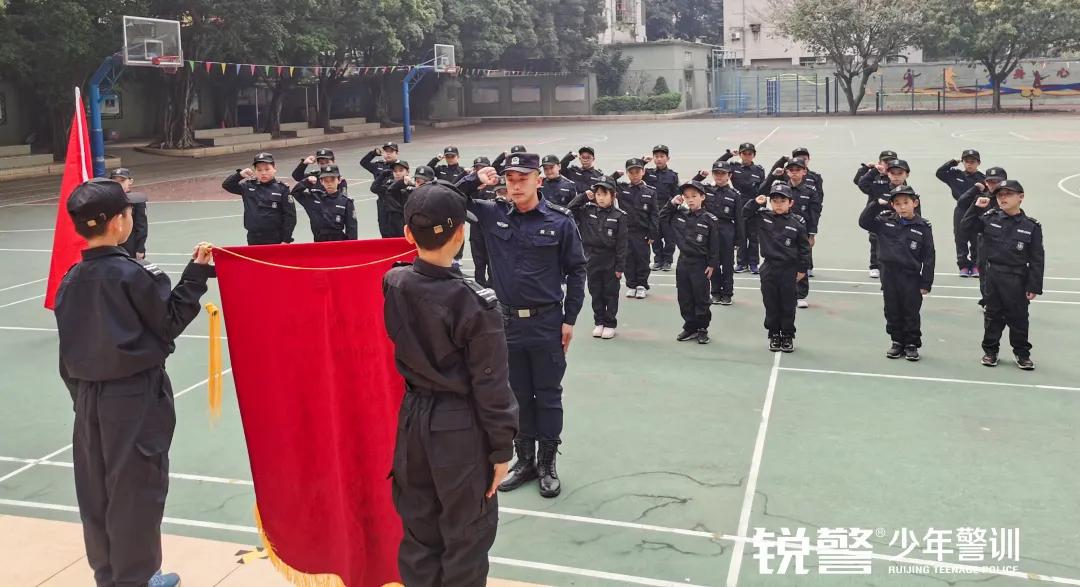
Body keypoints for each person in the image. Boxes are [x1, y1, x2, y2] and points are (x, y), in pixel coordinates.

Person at [55, 178, 216, 587]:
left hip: (89, 398)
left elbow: (66, 357)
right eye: (128, 211)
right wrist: (195, 276)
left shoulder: (70, 280)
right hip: (133, 397)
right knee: (137, 493)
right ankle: (137, 580)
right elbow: (168, 323)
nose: (132, 217)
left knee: (97, 494)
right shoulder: (134, 275)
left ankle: (111, 577)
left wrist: (85, 398)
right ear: (115, 222)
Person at [383, 182, 519, 585]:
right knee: (466, 537)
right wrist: (500, 450)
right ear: (461, 234)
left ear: (408, 234)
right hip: (458, 428)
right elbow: (491, 385)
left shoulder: (394, 282)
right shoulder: (475, 304)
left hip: (412, 422)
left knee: (420, 532)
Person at [455, 153, 587, 499]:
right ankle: (524, 460)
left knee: (547, 395)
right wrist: (474, 179)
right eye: (510, 178)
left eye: (523, 178)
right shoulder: (491, 213)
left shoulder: (560, 221)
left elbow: (577, 270)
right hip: (506, 323)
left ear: (537, 181)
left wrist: (569, 319)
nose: (515, 184)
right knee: (515, 395)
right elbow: (448, 201)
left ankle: (547, 464)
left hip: (546, 323)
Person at [961, 180, 1044, 370]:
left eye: (1008, 194)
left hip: (1017, 276)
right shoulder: (989, 218)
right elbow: (965, 228)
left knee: (1019, 317)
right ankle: (990, 351)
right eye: (999, 195)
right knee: (992, 315)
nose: (1003, 198)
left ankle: (1022, 353)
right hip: (993, 275)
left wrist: (1033, 286)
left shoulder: (1031, 226)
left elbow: (1037, 258)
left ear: (1021, 197)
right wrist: (975, 209)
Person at [858, 185, 935, 361]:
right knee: (892, 309)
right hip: (889, 274)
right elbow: (864, 222)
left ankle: (911, 344)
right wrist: (876, 204)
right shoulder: (884, 221)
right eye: (898, 203)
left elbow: (929, 256)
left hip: (910, 276)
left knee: (911, 310)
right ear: (892, 205)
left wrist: (926, 282)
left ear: (915, 203)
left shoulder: (923, 227)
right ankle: (897, 342)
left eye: (906, 202)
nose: (902, 206)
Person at [744, 183, 810, 352]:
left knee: (788, 304)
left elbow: (804, 248)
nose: (778, 204)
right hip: (769, 267)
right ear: (770, 202)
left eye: (782, 200)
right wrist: (755, 202)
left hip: (789, 268)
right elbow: (744, 215)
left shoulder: (797, 223)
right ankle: (774, 334)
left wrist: (802, 270)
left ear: (791, 203)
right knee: (771, 303)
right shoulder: (763, 217)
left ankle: (787, 335)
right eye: (775, 200)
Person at [566, 178, 627, 339]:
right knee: (596, 292)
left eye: (604, 194)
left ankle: (610, 323)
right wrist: (584, 197)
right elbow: (570, 209)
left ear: (613, 196)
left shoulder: (619, 216)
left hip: (610, 260)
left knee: (611, 293)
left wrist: (620, 267)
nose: (600, 197)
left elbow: (622, 244)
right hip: (592, 258)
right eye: (598, 194)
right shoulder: (588, 210)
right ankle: (599, 321)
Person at [661, 181, 721, 344]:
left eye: (694, 196)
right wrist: (672, 204)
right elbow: (662, 217)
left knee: (701, 297)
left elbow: (715, 244)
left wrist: (712, 264)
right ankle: (690, 326)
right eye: (687, 197)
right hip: (683, 262)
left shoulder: (709, 219)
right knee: (684, 296)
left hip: (700, 263)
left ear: (702, 197)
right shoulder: (680, 214)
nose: (690, 200)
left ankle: (702, 328)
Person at [760, 157, 820, 308]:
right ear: (787, 172)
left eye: (797, 170)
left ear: (804, 171)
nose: (794, 173)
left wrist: (812, 234)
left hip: (801, 230)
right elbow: (762, 192)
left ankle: (800, 294)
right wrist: (774, 174)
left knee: (802, 260)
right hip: (781, 229)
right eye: (791, 170)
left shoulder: (810, 190)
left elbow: (815, 212)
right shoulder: (781, 188)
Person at [956, 166, 1007, 307]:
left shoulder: (1009, 200)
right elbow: (965, 226)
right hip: (985, 247)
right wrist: (976, 208)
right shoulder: (981, 199)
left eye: (997, 181)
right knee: (985, 279)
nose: (993, 184)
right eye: (990, 181)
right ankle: (987, 303)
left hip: (1005, 248)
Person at [222, 152, 296, 245]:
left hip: (276, 237)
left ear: (274, 169)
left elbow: (290, 216)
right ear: (255, 171)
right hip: (253, 237)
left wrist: (286, 239)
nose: (263, 173)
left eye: (267, 169)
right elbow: (227, 185)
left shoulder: (282, 189)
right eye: (259, 170)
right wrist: (239, 175)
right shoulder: (248, 186)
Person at [692, 160, 739, 305]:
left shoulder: (734, 195)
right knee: (713, 262)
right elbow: (691, 186)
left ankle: (727, 294)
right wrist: (700, 176)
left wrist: (738, 240)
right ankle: (715, 292)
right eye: (716, 173)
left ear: (729, 175)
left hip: (727, 231)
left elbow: (739, 219)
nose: (719, 176)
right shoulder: (706, 190)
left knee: (727, 264)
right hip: (709, 230)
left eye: (722, 173)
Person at [856, 156, 910, 278]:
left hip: (899, 226)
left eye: (900, 173)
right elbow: (862, 183)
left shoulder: (909, 192)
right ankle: (875, 266)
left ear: (906, 175)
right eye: (893, 173)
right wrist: (873, 170)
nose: (896, 176)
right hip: (880, 222)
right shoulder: (879, 185)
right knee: (875, 242)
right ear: (888, 173)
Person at [614, 158, 660, 299]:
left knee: (642, 259)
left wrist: (653, 233)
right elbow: (606, 182)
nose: (634, 175)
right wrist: (616, 175)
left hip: (642, 233)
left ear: (643, 172)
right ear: (627, 173)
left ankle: (641, 285)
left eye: (637, 171)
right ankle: (632, 285)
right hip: (626, 231)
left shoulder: (650, 191)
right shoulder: (622, 189)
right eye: (631, 172)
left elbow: (654, 214)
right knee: (628, 259)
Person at [936, 149, 985, 277]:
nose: (969, 164)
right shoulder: (955, 175)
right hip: (961, 209)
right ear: (962, 162)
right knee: (960, 237)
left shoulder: (983, 179)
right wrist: (952, 163)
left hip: (976, 210)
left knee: (976, 238)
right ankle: (963, 265)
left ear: (978, 163)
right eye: (966, 161)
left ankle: (975, 265)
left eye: (972, 161)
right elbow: (939, 173)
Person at [720, 143, 766, 273]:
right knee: (741, 236)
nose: (747, 156)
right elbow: (718, 165)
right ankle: (741, 263)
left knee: (753, 237)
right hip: (738, 206)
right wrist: (729, 154)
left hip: (754, 207)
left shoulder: (759, 170)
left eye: (749, 154)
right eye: (744, 153)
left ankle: (753, 264)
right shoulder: (733, 167)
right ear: (740, 154)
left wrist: (761, 207)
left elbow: (762, 189)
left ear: (754, 155)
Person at [290, 164, 358, 241]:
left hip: (339, 244)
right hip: (319, 243)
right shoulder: (313, 198)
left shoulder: (346, 202)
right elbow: (295, 193)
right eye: (326, 180)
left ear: (339, 180)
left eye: (332, 180)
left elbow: (352, 229)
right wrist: (306, 182)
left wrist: (350, 248)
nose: (329, 183)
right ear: (321, 182)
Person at [645, 145, 680, 272]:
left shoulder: (672, 176)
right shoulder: (648, 174)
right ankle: (658, 260)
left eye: (662, 156)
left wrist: (674, 210)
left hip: (668, 211)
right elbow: (635, 171)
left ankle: (668, 260)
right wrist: (643, 161)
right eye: (656, 156)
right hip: (653, 211)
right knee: (655, 237)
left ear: (667, 158)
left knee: (670, 239)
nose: (659, 159)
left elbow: (676, 193)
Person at [360, 142, 401, 238]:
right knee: (384, 227)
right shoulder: (378, 166)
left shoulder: (400, 167)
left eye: (391, 151)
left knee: (398, 228)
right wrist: (373, 153)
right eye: (386, 151)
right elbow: (363, 163)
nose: (388, 154)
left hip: (396, 201)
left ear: (397, 153)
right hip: (382, 201)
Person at [385, 165, 435, 237]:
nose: (420, 185)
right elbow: (390, 191)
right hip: (413, 233)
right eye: (417, 182)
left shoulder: (437, 196)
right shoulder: (409, 193)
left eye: (424, 182)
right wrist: (403, 182)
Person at [110, 167, 148, 260]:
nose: (119, 184)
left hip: (130, 245)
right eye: (115, 181)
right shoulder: (109, 199)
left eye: (122, 181)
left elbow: (141, 225)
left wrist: (140, 248)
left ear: (130, 181)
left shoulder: (136, 200)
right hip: (112, 244)